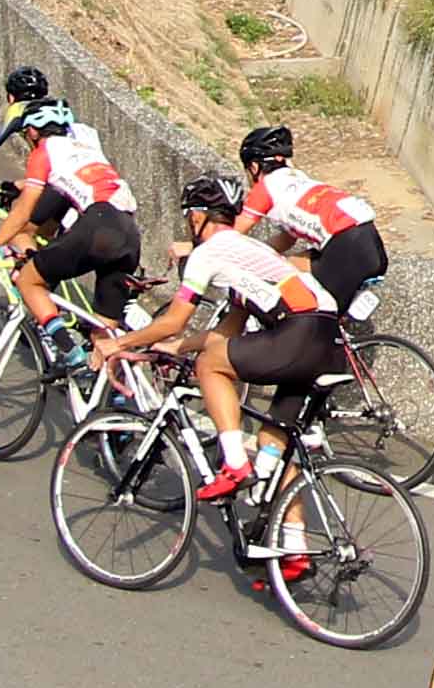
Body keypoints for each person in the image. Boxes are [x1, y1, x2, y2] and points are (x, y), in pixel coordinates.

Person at [91, 176, 351, 538]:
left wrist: (117, 344)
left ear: (197, 217)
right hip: (328, 341)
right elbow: (228, 331)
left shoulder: (209, 253)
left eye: (189, 218)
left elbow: (174, 319)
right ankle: (294, 547)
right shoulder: (249, 253)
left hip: (299, 332)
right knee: (275, 442)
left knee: (209, 365)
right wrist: (173, 347)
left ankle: (233, 463)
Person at [0, 75, 138, 348]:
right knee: (105, 338)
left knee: (28, 276)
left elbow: (23, 209)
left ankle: (64, 346)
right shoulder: (81, 140)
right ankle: (112, 389)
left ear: (32, 130)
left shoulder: (42, 150)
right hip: (129, 228)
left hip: (97, 220)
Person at [237, 123, 389, 306]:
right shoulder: (299, 180)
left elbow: (231, 234)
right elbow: (287, 240)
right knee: (288, 266)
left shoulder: (265, 187)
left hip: (346, 245)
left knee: (303, 311)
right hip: (369, 239)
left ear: (253, 167)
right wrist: (256, 257)